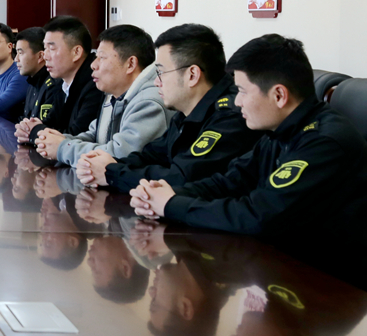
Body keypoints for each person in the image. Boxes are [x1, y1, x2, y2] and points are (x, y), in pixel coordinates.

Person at [130, 34, 367, 258]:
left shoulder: (324, 142)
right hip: (278, 258)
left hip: (326, 275)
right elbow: (230, 181)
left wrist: (171, 205)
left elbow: (259, 215)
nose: (237, 101)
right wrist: (163, 194)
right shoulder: (280, 131)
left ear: (279, 95)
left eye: (243, 91)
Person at [77, 24, 261, 190]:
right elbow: (152, 155)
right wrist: (109, 163)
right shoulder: (186, 111)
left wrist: (111, 173)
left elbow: (181, 177)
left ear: (192, 75)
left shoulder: (229, 117)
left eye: (161, 72)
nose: (156, 82)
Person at [33, 24, 168, 168]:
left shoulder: (149, 102)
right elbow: (95, 136)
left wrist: (62, 148)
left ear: (130, 64)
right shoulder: (113, 95)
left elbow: (119, 155)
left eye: (102, 57)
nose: (93, 65)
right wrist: (55, 140)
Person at [16, 16, 104, 144]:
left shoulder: (95, 84)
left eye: (51, 49)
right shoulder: (61, 83)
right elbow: (52, 124)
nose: (45, 56)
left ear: (76, 52)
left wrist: (35, 132)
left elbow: (77, 135)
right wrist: (29, 128)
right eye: (45, 48)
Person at [15, 27, 50, 120]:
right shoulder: (32, 83)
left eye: (20, 53)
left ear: (40, 56)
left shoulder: (52, 86)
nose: (16, 59)